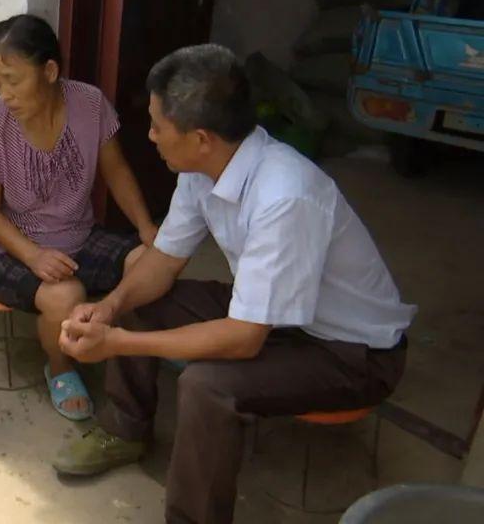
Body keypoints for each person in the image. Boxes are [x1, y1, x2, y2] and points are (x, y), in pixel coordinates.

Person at [53, 44, 415, 524]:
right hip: (277, 315)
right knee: (138, 296)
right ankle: (124, 430)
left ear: (201, 137)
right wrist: (112, 308)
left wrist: (117, 343)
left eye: (159, 125)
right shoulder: (202, 169)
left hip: (351, 352)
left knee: (207, 386)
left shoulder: (285, 196)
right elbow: (162, 259)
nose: (151, 135)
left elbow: (245, 339)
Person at [0, 14, 156, 420]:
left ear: (49, 71)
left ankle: (135, 348)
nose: (5, 93)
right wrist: (33, 255)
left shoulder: (88, 104)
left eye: (13, 79)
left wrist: (145, 227)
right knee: (65, 295)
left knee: (150, 262)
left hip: (79, 236)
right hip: (6, 251)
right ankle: (61, 368)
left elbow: (116, 170)